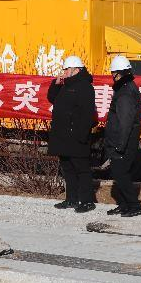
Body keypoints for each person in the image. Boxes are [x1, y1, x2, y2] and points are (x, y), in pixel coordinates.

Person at [47, 55, 97, 213]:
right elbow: (52, 98)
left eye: (67, 69)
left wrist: (81, 135)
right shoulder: (66, 85)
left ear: (76, 70)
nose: (64, 72)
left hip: (76, 136)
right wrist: (55, 84)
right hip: (63, 136)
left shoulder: (85, 87)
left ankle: (87, 201)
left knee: (82, 169)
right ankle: (71, 199)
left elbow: (87, 114)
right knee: (67, 168)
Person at [104, 56, 141, 217]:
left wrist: (120, 146)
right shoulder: (126, 88)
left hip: (123, 143)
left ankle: (134, 206)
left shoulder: (125, 93)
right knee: (119, 174)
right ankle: (124, 204)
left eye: (113, 73)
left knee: (121, 174)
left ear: (117, 74)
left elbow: (125, 122)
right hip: (123, 141)